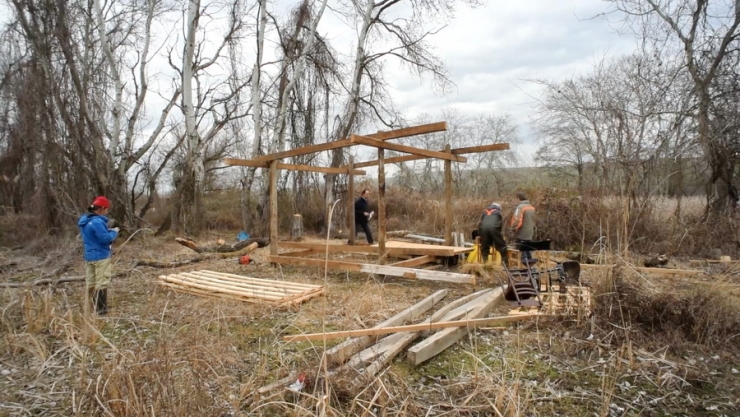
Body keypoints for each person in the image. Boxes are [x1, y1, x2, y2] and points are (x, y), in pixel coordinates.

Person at [77, 196, 119, 315]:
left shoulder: (85, 221)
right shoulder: (97, 222)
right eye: (106, 209)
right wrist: (114, 232)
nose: (107, 211)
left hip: (89, 256)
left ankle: (90, 306)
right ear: (100, 209)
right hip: (101, 256)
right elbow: (105, 239)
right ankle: (101, 310)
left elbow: (94, 236)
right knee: (102, 282)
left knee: (91, 281)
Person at [509, 191, 536, 264]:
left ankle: (524, 268)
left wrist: (513, 229)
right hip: (529, 232)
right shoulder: (531, 207)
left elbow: (517, 220)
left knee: (522, 252)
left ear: (518, 199)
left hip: (522, 233)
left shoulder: (520, 207)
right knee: (527, 250)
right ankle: (530, 266)